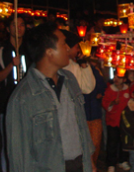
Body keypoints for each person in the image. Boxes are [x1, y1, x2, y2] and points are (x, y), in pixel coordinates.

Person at [6, 22, 94, 172]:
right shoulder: (23, 97)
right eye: (63, 43)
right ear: (49, 52)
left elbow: (81, 126)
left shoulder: (69, 80)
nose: (67, 48)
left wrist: (89, 160)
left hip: (78, 164)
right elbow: (18, 153)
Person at [0, 16, 26, 172]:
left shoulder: (30, 48)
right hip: (8, 102)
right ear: (8, 28)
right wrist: (12, 64)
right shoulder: (1, 50)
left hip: (27, 103)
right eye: (14, 25)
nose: (18, 28)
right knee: (9, 144)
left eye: (21, 25)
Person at [102, 73, 131, 172]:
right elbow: (105, 102)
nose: (116, 79)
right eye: (115, 77)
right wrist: (113, 103)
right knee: (112, 143)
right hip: (112, 121)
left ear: (125, 79)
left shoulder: (128, 90)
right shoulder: (110, 89)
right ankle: (111, 163)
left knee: (124, 142)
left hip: (124, 122)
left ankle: (123, 160)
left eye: (119, 77)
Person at [84, 60, 108, 171]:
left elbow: (103, 86)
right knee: (85, 143)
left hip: (94, 112)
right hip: (84, 113)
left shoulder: (95, 73)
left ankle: (93, 164)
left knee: (95, 143)